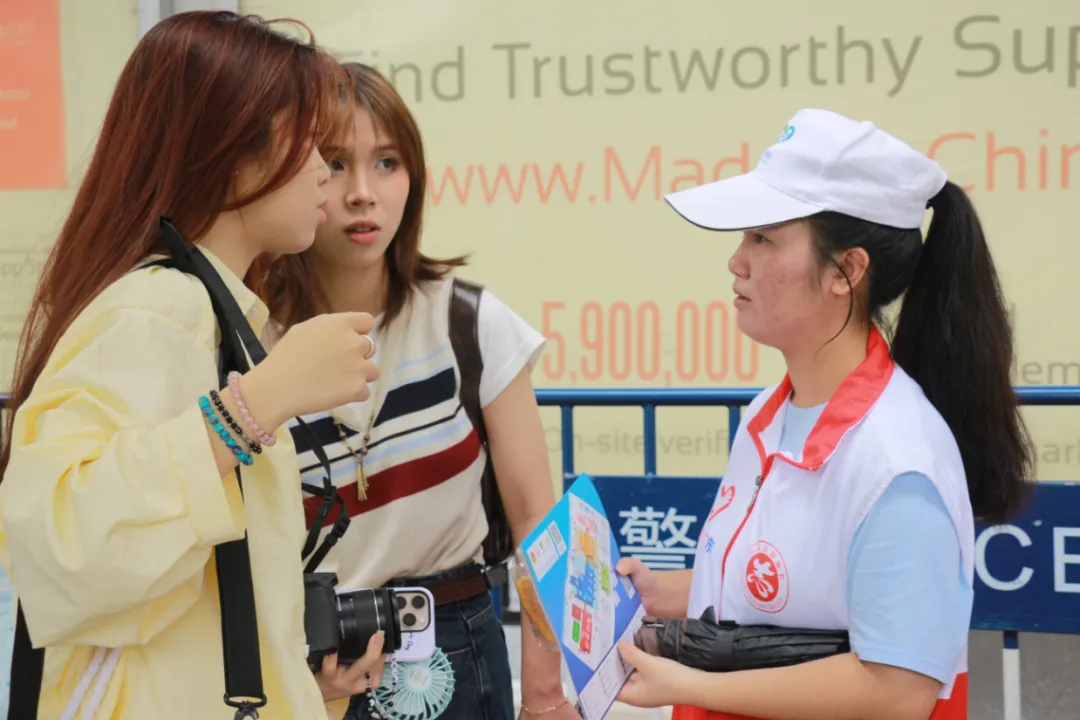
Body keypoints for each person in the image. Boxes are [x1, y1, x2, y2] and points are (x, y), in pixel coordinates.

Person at [0, 12, 390, 719]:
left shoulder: (208, 311)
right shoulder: (157, 309)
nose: (323, 172)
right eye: (310, 144)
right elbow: (61, 548)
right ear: (238, 152)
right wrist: (254, 407)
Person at [612, 108, 1035, 720]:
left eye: (762, 238)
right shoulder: (769, 413)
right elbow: (782, 594)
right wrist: (662, 591)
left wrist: (691, 687)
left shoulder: (897, 461)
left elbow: (899, 690)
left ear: (847, 271)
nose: (737, 261)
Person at [260, 63, 579, 720]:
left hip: (459, 652)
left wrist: (546, 698)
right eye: (335, 164)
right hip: (307, 666)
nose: (362, 194)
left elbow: (538, 525)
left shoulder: (469, 322)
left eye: (387, 163)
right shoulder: (255, 343)